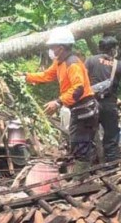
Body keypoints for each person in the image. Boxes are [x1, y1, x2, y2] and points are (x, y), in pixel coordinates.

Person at [25, 27, 99, 174]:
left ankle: (81, 178)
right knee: (77, 141)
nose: (51, 50)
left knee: (80, 142)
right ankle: (81, 173)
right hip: (77, 108)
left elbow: (78, 89)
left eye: (53, 47)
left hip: (85, 108)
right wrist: (26, 76)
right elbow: (47, 75)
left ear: (60, 47)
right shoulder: (60, 62)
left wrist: (58, 102)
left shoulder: (73, 64)